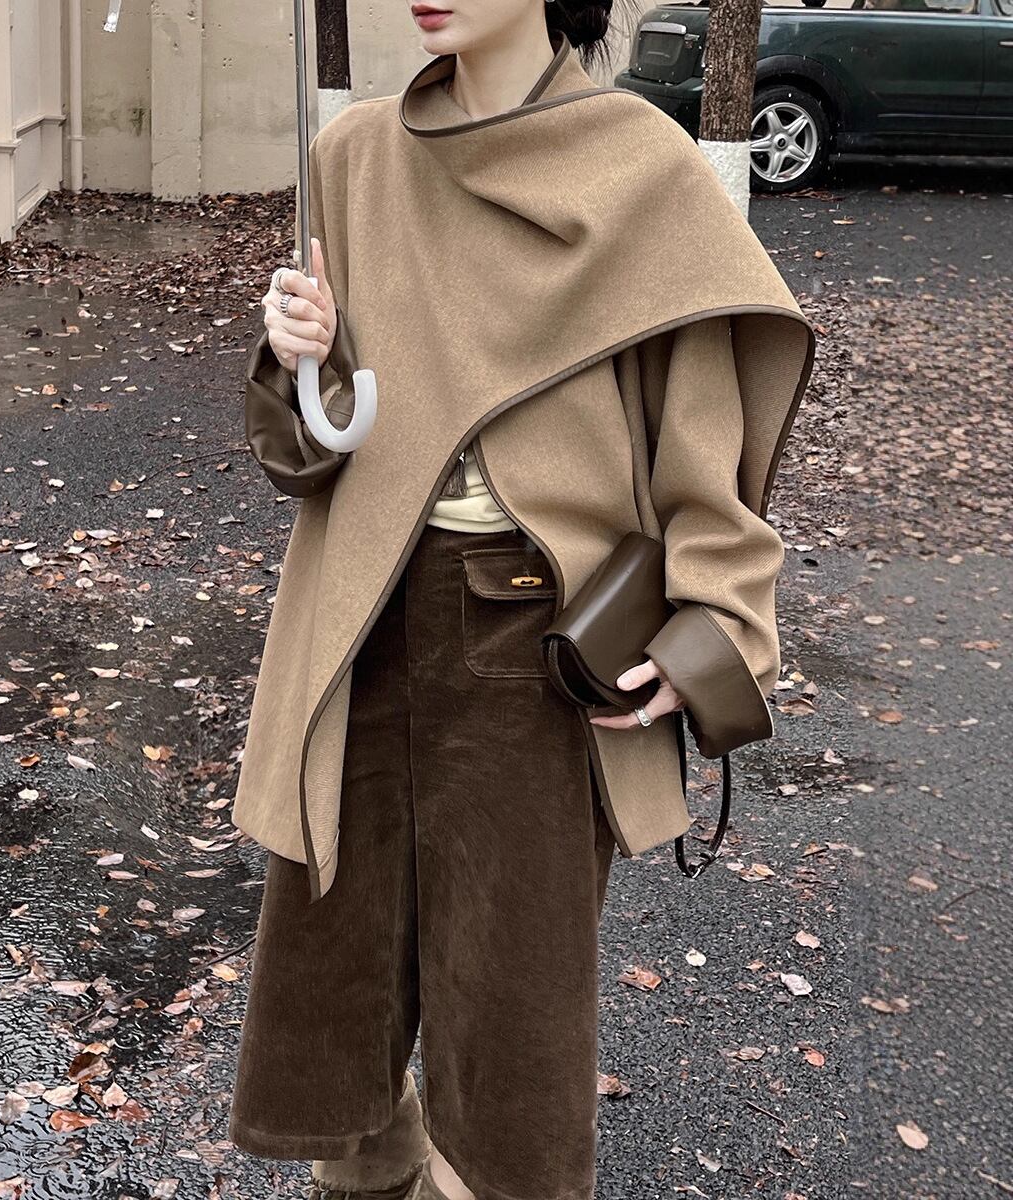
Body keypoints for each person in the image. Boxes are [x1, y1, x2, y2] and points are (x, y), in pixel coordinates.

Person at [227, 3, 816, 1198]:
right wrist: (297, 361)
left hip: (535, 644)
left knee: (510, 1023)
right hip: (361, 624)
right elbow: (316, 446)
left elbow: (702, 446)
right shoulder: (354, 156)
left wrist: (717, 624)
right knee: (334, 977)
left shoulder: (641, 168)